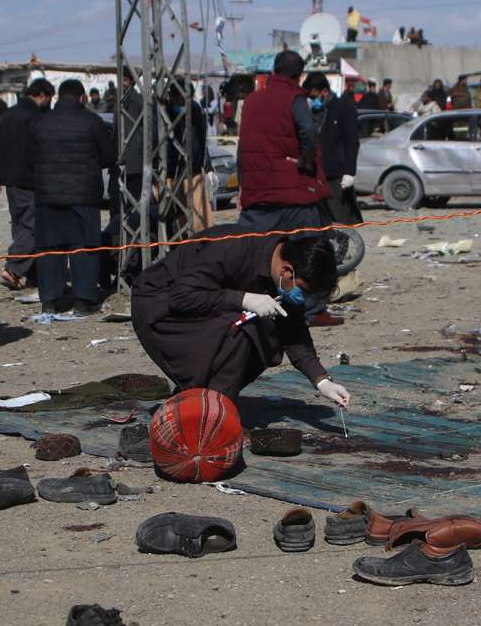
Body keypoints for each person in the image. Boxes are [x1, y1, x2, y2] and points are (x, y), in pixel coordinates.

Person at [131, 225, 350, 406]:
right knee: (249, 330)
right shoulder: (231, 249)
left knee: (268, 334)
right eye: (303, 291)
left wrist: (321, 380)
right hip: (159, 306)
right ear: (286, 271)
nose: (302, 298)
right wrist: (244, 299)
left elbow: (294, 332)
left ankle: (207, 401)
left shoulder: (284, 277)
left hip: (201, 308)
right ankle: (215, 411)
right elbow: (182, 297)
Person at [236, 49, 342, 328]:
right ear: (299, 75)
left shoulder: (252, 100)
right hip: (292, 190)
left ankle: (249, 304)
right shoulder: (295, 98)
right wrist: (306, 160)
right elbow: (308, 131)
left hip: (257, 190)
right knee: (312, 247)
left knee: (252, 250)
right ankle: (312, 310)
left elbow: (242, 147)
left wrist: (244, 187)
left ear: (274, 70)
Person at [28, 79, 115, 317]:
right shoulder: (92, 121)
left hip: (47, 196)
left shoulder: (40, 122)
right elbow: (108, 157)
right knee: (84, 248)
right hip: (83, 195)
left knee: (49, 249)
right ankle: (83, 301)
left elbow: (29, 157)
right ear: (82, 97)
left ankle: (49, 300)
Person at [0, 78, 53, 291]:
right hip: (30, 180)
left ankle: (32, 275)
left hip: (11, 181)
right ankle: (14, 269)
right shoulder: (35, 117)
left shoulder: (7, 115)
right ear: (42, 95)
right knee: (32, 227)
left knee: (20, 225)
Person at [104, 67, 156, 284]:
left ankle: (130, 265)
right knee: (120, 217)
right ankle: (121, 262)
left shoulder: (136, 101)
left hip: (133, 169)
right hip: (124, 167)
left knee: (132, 219)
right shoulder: (123, 101)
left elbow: (148, 133)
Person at [303, 72, 361, 226]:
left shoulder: (344, 108)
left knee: (340, 219)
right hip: (315, 174)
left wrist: (349, 172)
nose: (312, 100)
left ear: (324, 92)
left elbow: (352, 142)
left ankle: (341, 250)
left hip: (336, 176)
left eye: (314, 97)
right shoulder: (310, 113)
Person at [165, 82, 214, 233]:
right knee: (177, 216)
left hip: (193, 170)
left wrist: (207, 165)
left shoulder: (195, 111)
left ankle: (204, 244)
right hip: (171, 173)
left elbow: (202, 139)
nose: (182, 102)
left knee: (201, 217)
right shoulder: (164, 112)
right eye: (179, 98)